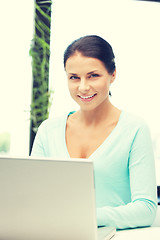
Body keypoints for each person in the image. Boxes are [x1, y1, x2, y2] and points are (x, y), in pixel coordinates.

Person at [31, 35, 157, 229]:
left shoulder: (135, 129)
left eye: (93, 75)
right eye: (74, 77)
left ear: (112, 74)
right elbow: (32, 197)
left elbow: (146, 209)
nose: (83, 87)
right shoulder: (48, 131)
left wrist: (86, 216)